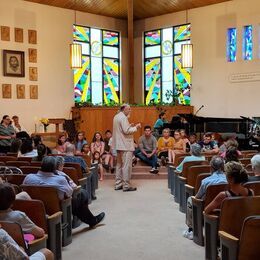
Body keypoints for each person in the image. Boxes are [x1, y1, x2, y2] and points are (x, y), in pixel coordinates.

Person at [23, 156, 105, 228]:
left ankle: (89, 219)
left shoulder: (29, 177)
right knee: (82, 194)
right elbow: (70, 193)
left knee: (80, 195)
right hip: (58, 208)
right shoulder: (60, 179)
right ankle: (91, 220)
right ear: (55, 167)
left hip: (35, 207)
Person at [183, 156, 227, 240]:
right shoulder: (229, 179)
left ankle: (191, 230)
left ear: (211, 167)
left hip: (208, 207)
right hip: (225, 207)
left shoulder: (206, 181)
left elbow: (197, 197)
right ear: (223, 167)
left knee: (190, 200)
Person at [112, 104, 141, 191]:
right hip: (125, 145)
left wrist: (129, 126)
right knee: (126, 166)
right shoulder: (123, 117)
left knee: (119, 165)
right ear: (124, 109)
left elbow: (121, 129)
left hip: (119, 144)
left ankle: (118, 184)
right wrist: (136, 127)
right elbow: (126, 131)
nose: (130, 111)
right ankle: (126, 185)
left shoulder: (116, 116)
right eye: (128, 109)